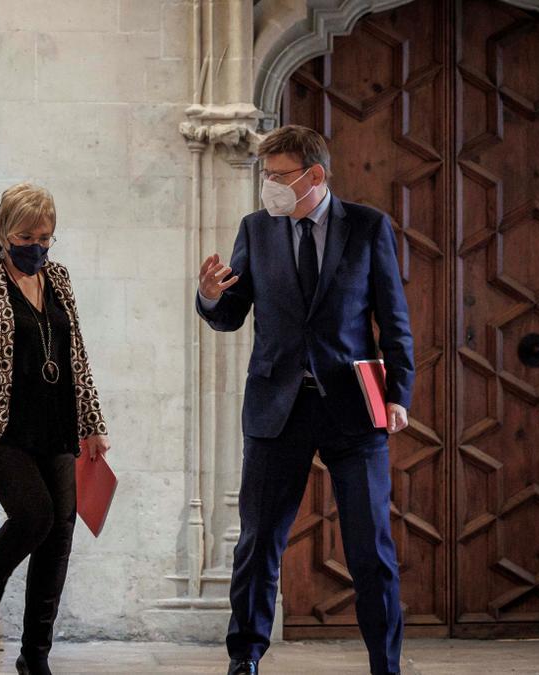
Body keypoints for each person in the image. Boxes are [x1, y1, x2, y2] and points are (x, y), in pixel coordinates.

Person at [196, 125, 414, 675]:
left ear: (313, 176)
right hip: (276, 407)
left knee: (371, 551)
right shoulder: (256, 229)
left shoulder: (367, 228)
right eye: (265, 175)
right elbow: (230, 315)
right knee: (258, 544)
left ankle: (385, 665)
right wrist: (208, 296)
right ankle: (244, 657)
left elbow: (394, 321)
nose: (268, 186)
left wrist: (399, 395)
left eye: (277, 176)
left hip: (353, 408)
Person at [0, 183, 111, 675]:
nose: (37, 246)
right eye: (26, 235)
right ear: (3, 233)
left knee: (59, 538)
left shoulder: (59, 278)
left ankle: (35, 657)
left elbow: (76, 357)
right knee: (34, 517)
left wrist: (93, 424)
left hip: (57, 424)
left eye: (46, 236)